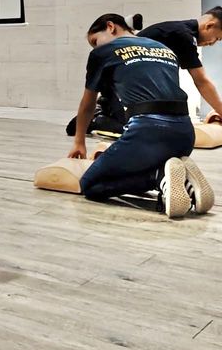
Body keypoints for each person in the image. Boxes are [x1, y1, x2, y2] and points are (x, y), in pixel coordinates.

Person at [69, 13, 214, 218]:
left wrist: (79, 142)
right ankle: (179, 177)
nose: (95, 47)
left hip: (147, 132)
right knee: (138, 158)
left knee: (91, 185)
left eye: (95, 41)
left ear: (111, 27)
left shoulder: (103, 53)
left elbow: (88, 104)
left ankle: (158, 177)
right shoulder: (164, 49)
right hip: (185, 134)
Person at [138, 7, 222, 116]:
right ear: (209, 26)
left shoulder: (178, 30)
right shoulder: (183, 35)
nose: (212, 43)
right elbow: (201, 81)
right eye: (216, 38)